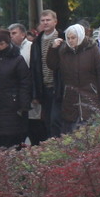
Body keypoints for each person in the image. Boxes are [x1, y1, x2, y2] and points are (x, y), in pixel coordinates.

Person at [51, 24, 100, 133]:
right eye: (68, 38)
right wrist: (53, 49)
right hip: (70, 97)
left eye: (73, 38)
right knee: (71, 132)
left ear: (80, 36)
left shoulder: (92, 48)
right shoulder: (63, 50)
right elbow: (52, 65)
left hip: (90, 95)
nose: (71, 41)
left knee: (91, 131)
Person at [29, 9, 62, 140]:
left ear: (55, 21)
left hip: (58, 85)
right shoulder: (37, 42)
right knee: (47, 120)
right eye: (43, 20)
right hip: (44, 86)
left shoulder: (62, 37)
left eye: (48, 20)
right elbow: (34, 68)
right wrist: (35, 93)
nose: (45, 23)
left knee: (56, 120)